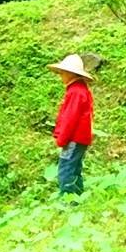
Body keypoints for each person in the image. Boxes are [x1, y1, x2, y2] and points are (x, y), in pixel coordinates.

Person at [47, 54, 94, 195]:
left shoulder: (76, 92)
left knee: (66, 169)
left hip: (73, 138)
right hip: (79, 138)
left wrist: (62, 139)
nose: (61, 76)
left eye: (62, 73)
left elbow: (70, 118)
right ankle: (79, 197)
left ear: (70, 73)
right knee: (74, 168)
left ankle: (69, 200)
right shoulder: (80, 90)